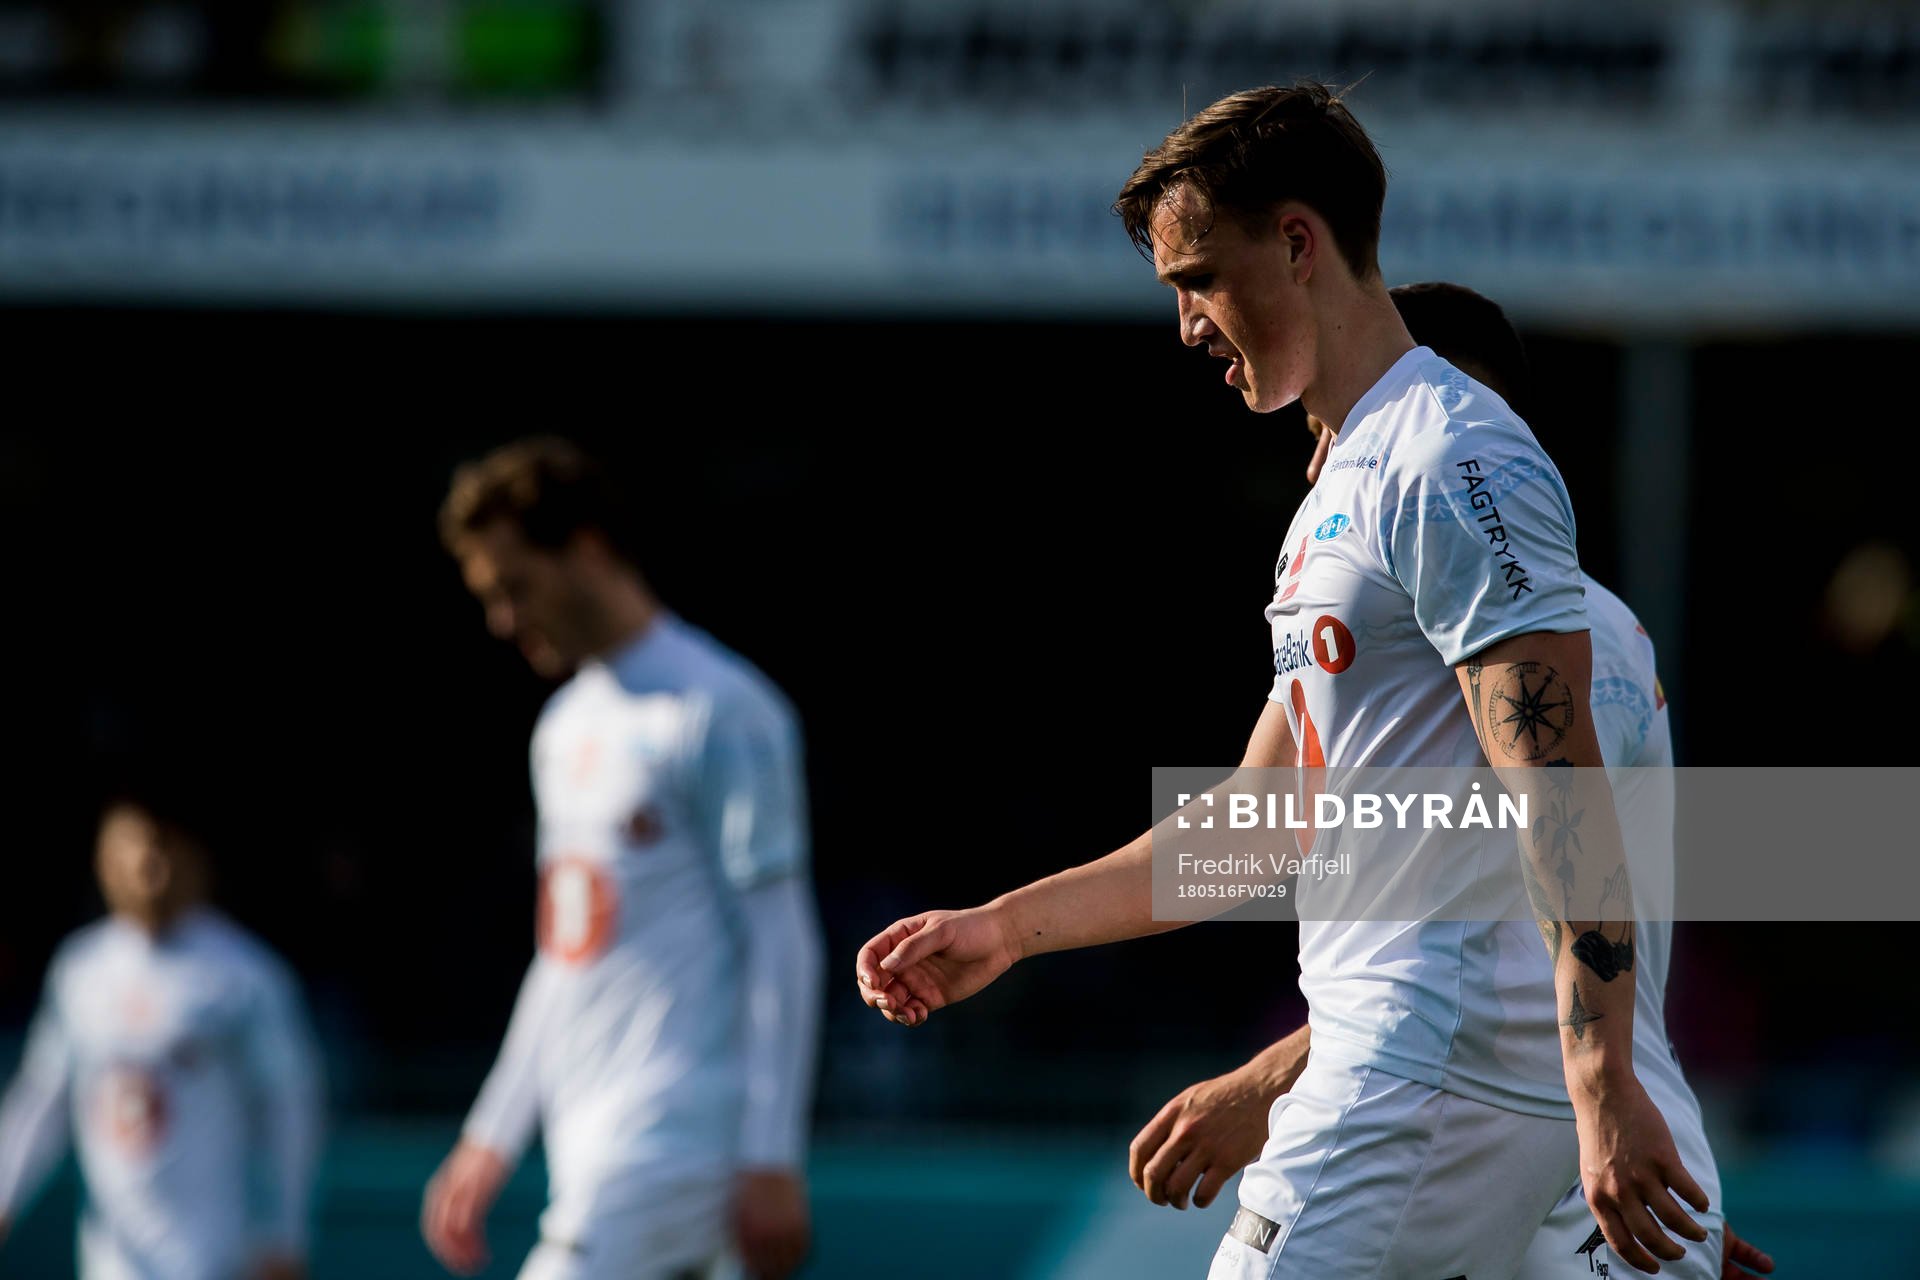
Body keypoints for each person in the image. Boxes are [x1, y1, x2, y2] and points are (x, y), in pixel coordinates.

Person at [858, 83, 1710, 1277]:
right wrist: (1009, 928)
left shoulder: (1450, 452)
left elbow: (1557, 791)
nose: (1189, 324)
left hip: (1419, 1076)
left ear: (1298, 242)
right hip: (1423, 1069)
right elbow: (1261, 824)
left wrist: (1607, 1087)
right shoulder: (1343, 493)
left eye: (1197, 277)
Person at [1125, 282, 1773, 1280]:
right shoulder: (1414, 638)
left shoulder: (1560, 645)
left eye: (1338, 421)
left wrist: (1273, 1076)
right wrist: (1002, 925)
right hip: (1562, 1153)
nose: (1316, 459)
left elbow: (1498, 945)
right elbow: (1249, 832)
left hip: (1571, 1159)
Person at [423, 437, 823, 1280]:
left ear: (589, 549)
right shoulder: (561, 729)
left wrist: (770, 1153)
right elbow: (565, 952)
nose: (503, 619)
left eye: (516, 588)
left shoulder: (724, 710)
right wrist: (490, 1138)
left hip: (674, 1140)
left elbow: (781, 942)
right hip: (589, 1136)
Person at [0, 790, 322, 1280]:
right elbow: (42, 1099)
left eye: (162, 845)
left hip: (217, 1259)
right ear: (104, 858)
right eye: (132, 845)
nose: (148, 863)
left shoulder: (244, 976)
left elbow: (288, 1110)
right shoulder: (80, 970)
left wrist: (282, 1233)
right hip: (111, 1264)